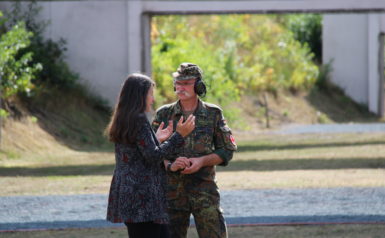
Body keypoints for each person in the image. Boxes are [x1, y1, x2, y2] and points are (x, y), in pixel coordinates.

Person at [152, 63, 237, 238]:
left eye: (187, 83)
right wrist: (170, 165)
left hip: (204, 192)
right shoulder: (163, 114)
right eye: (178, 83)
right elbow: (151, 152)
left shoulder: (213, 114)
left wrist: (201, 162)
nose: (181, 87)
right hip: (170, 194)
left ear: (199, 85)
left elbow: (226, 150)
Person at [105, 73, 195, 238]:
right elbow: (153, 156)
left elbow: (136, 151)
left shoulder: (124, 118)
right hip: (143, 199)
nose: (152, 99)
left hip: (129, 194)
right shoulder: (138, 120)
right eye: (150, 95)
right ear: (140, 96)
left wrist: (156, 138)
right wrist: (179, 135)